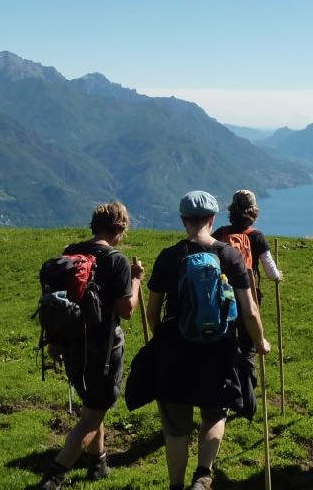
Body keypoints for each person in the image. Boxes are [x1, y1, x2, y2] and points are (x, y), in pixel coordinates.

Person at [146, 190, 271, 490]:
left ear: (183, 221)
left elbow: (152, 312)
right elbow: (249, 310)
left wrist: (159, 340)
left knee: (176, 426)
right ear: (213, 219)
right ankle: (202, 476)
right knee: (215, 413)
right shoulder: (230, 255)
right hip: (219, 349)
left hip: (175, 348)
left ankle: (176, 485)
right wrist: (261, 341)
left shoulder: (169, 256)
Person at [37, 201, 144, 490]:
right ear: (120, 229)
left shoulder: (71, 253)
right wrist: (135, 280)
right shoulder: (116, 260)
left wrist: (54, 342)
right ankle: (54, 476)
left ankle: (99, 464)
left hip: (71, 344)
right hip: (104, 349)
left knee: (92, 406)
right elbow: (126, 310)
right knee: (93, 415)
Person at [212, 189, 283, 359]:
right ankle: (247, 376)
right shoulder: (256, 237)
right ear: (253, 212)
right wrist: (278, 276)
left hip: (222, 294)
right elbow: (270, 270)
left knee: (225, 337)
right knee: (248, 343)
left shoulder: (221, 233)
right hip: (248, 295)